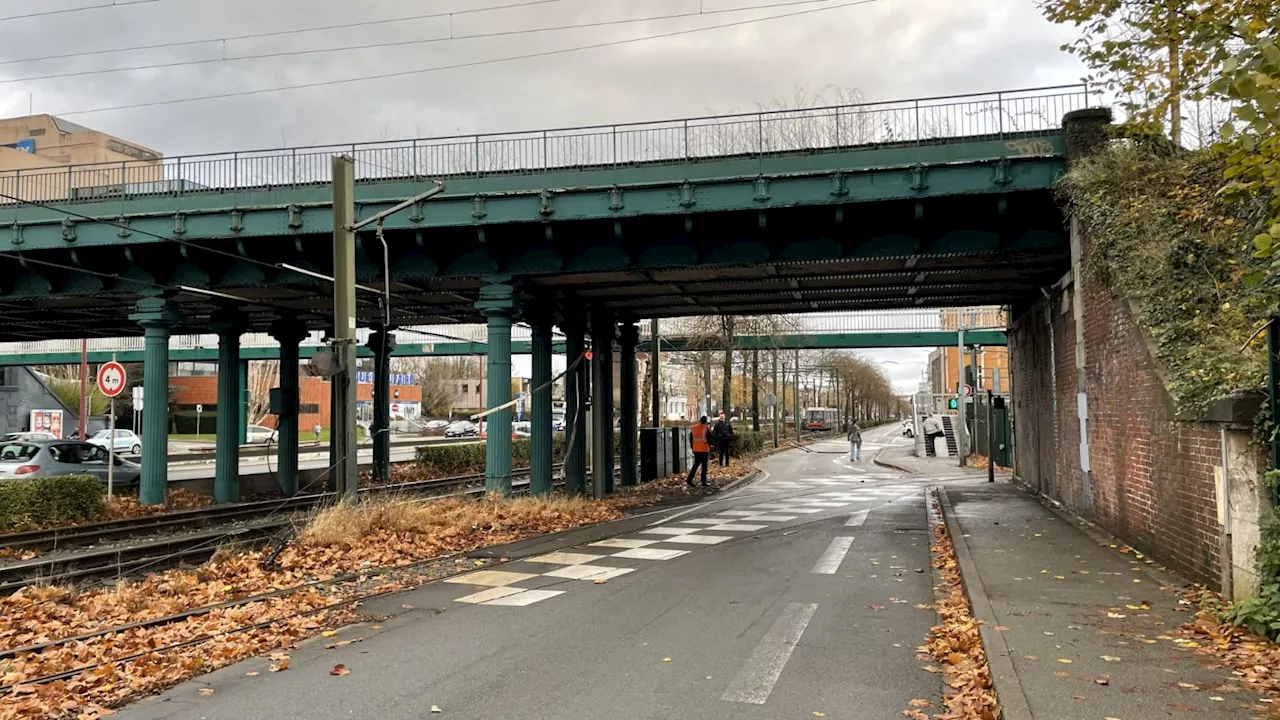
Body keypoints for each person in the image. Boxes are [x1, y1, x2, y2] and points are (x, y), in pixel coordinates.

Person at [686, 416, 711, 487]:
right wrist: (711, 447)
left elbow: (691, 438)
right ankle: (703, 481)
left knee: (696, 465)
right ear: (705, 421)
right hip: (704, 449)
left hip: (696, 449)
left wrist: (692, 447)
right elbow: (709, 439)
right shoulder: (706, 429)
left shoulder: (694, 428)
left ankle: (689, 479)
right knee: (704, 466)